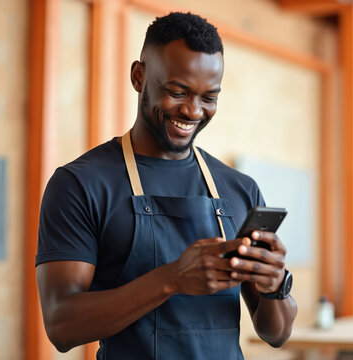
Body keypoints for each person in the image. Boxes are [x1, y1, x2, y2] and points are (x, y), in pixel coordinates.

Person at [36, 11, 297, 359]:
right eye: (178, 91)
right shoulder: (80, 184)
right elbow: (61, 325)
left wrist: (275, 285)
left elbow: (275, 333)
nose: (192, 110)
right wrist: (172, 279)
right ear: (139, 76)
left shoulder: (239, 190)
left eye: (209, 98)